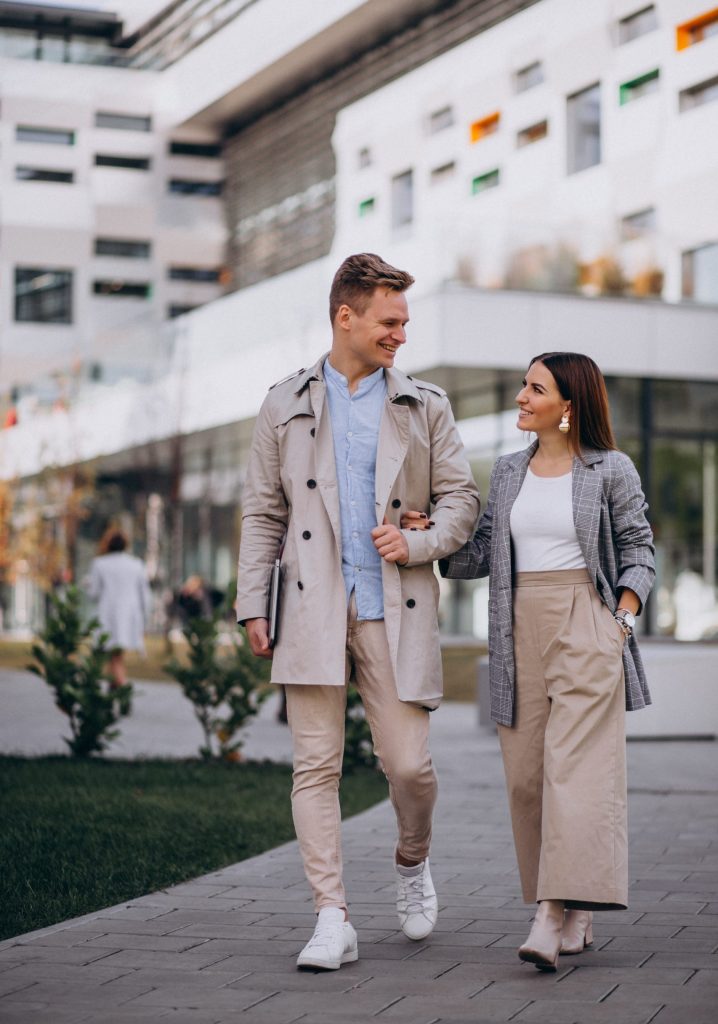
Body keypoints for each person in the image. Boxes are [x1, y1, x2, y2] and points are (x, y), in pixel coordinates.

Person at [236, 253, 480, 971]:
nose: (401, 334)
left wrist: (418, 541)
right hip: (309, 607)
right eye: (389, 321)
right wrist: (252, 603)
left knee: (408, 767)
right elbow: (263, 513)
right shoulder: (282, 402)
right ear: (346, 317)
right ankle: (331, 916)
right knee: (315, 766)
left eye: (404, 321)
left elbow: (462, 500)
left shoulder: (425, 404)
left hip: (393, 606)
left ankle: (412, 859)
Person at [404, 352, 655, 971]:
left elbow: (639, 548)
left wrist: (619, 625)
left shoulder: (610, 469)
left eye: (534, 388)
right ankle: (577, 908)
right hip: (516, 627)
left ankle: (550, 911)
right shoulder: (510, 470)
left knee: (574, 774)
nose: (521, 396)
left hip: (585, 622)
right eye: (523, 385)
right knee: (526, 780)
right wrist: (432, 534)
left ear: (568, 405)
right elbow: (482, 553)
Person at [86, 527, 151, 688]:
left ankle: (121, 687)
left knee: (113, 655)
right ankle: (115, 687)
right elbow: (145, 595)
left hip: (108, 615)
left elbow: (93, 593)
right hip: (129, 615)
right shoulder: (136, 564)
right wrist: (145, 619)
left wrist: (87, 585)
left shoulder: (100, 564)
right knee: (116, 655)